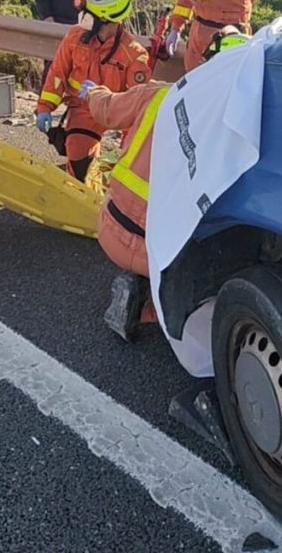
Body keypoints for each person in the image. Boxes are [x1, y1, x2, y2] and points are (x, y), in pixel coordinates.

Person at [86, 29, 249, 340]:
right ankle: (152, 309)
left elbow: (105, 109)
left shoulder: (158, 94)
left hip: (111, 227)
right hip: (162, 255)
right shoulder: (237, 134)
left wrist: (94, 93)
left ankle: (139, 287)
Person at [34, 0, 150, 181]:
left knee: (128, 171)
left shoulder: (134, 55)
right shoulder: (75, 38)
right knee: (80, 164)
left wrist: (129, 149)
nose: (82, 19)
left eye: (87, 14)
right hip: (84, 110)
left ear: (106, 20)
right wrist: (45, 108)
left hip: (117, 111)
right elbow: (57, 74)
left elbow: (136, 108)